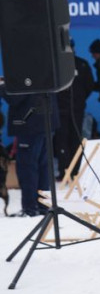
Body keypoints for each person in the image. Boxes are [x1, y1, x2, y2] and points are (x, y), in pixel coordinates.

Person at [0, 84, 58, 217]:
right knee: (43, 166)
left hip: (29, 123)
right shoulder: (46, 69)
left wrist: (3, 87)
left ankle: (30, 208)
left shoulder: (23, 73)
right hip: (47, 119)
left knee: (27, 168)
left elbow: (15, 98)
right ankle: (42, 206)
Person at [53, 39, 95, 180]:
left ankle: (76, 170)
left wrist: (79, 99)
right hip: (60, 110)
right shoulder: (56, 65)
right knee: (61, 140)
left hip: (76, 109)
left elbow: (90, 85)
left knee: (75, 139)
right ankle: (64, 171)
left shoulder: (81, 64)